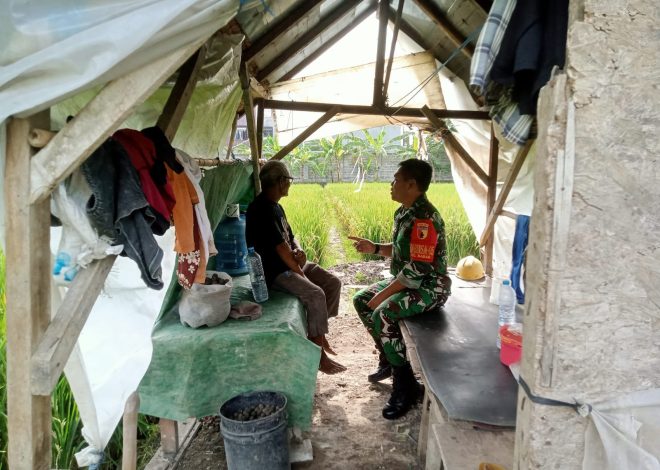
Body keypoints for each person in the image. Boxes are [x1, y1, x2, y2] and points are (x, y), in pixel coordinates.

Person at [349, 158, 451, 419]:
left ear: (411, 184)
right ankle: (388, 358)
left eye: (395, 179)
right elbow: (400, 252)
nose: (391, 184)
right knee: (362, 299)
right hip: (407, 281)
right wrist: (374, 248)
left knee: (383, 312)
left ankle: (406, 385)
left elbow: (416, 270)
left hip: (430, 286)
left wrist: (383, 295)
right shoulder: (404, 212)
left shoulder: (424, 218)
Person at [246, 160, 346, 375]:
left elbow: (290, 238)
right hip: (275, 272)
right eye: (288, 180)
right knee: (316, 293)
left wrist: (301, 253)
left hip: (290, 263)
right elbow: (281, 250)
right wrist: (302, 273)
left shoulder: (277, 206)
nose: (289, 184)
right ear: (281, 182)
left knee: (332, 283)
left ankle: (317, 332)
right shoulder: (261, 209)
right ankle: (318, 354)